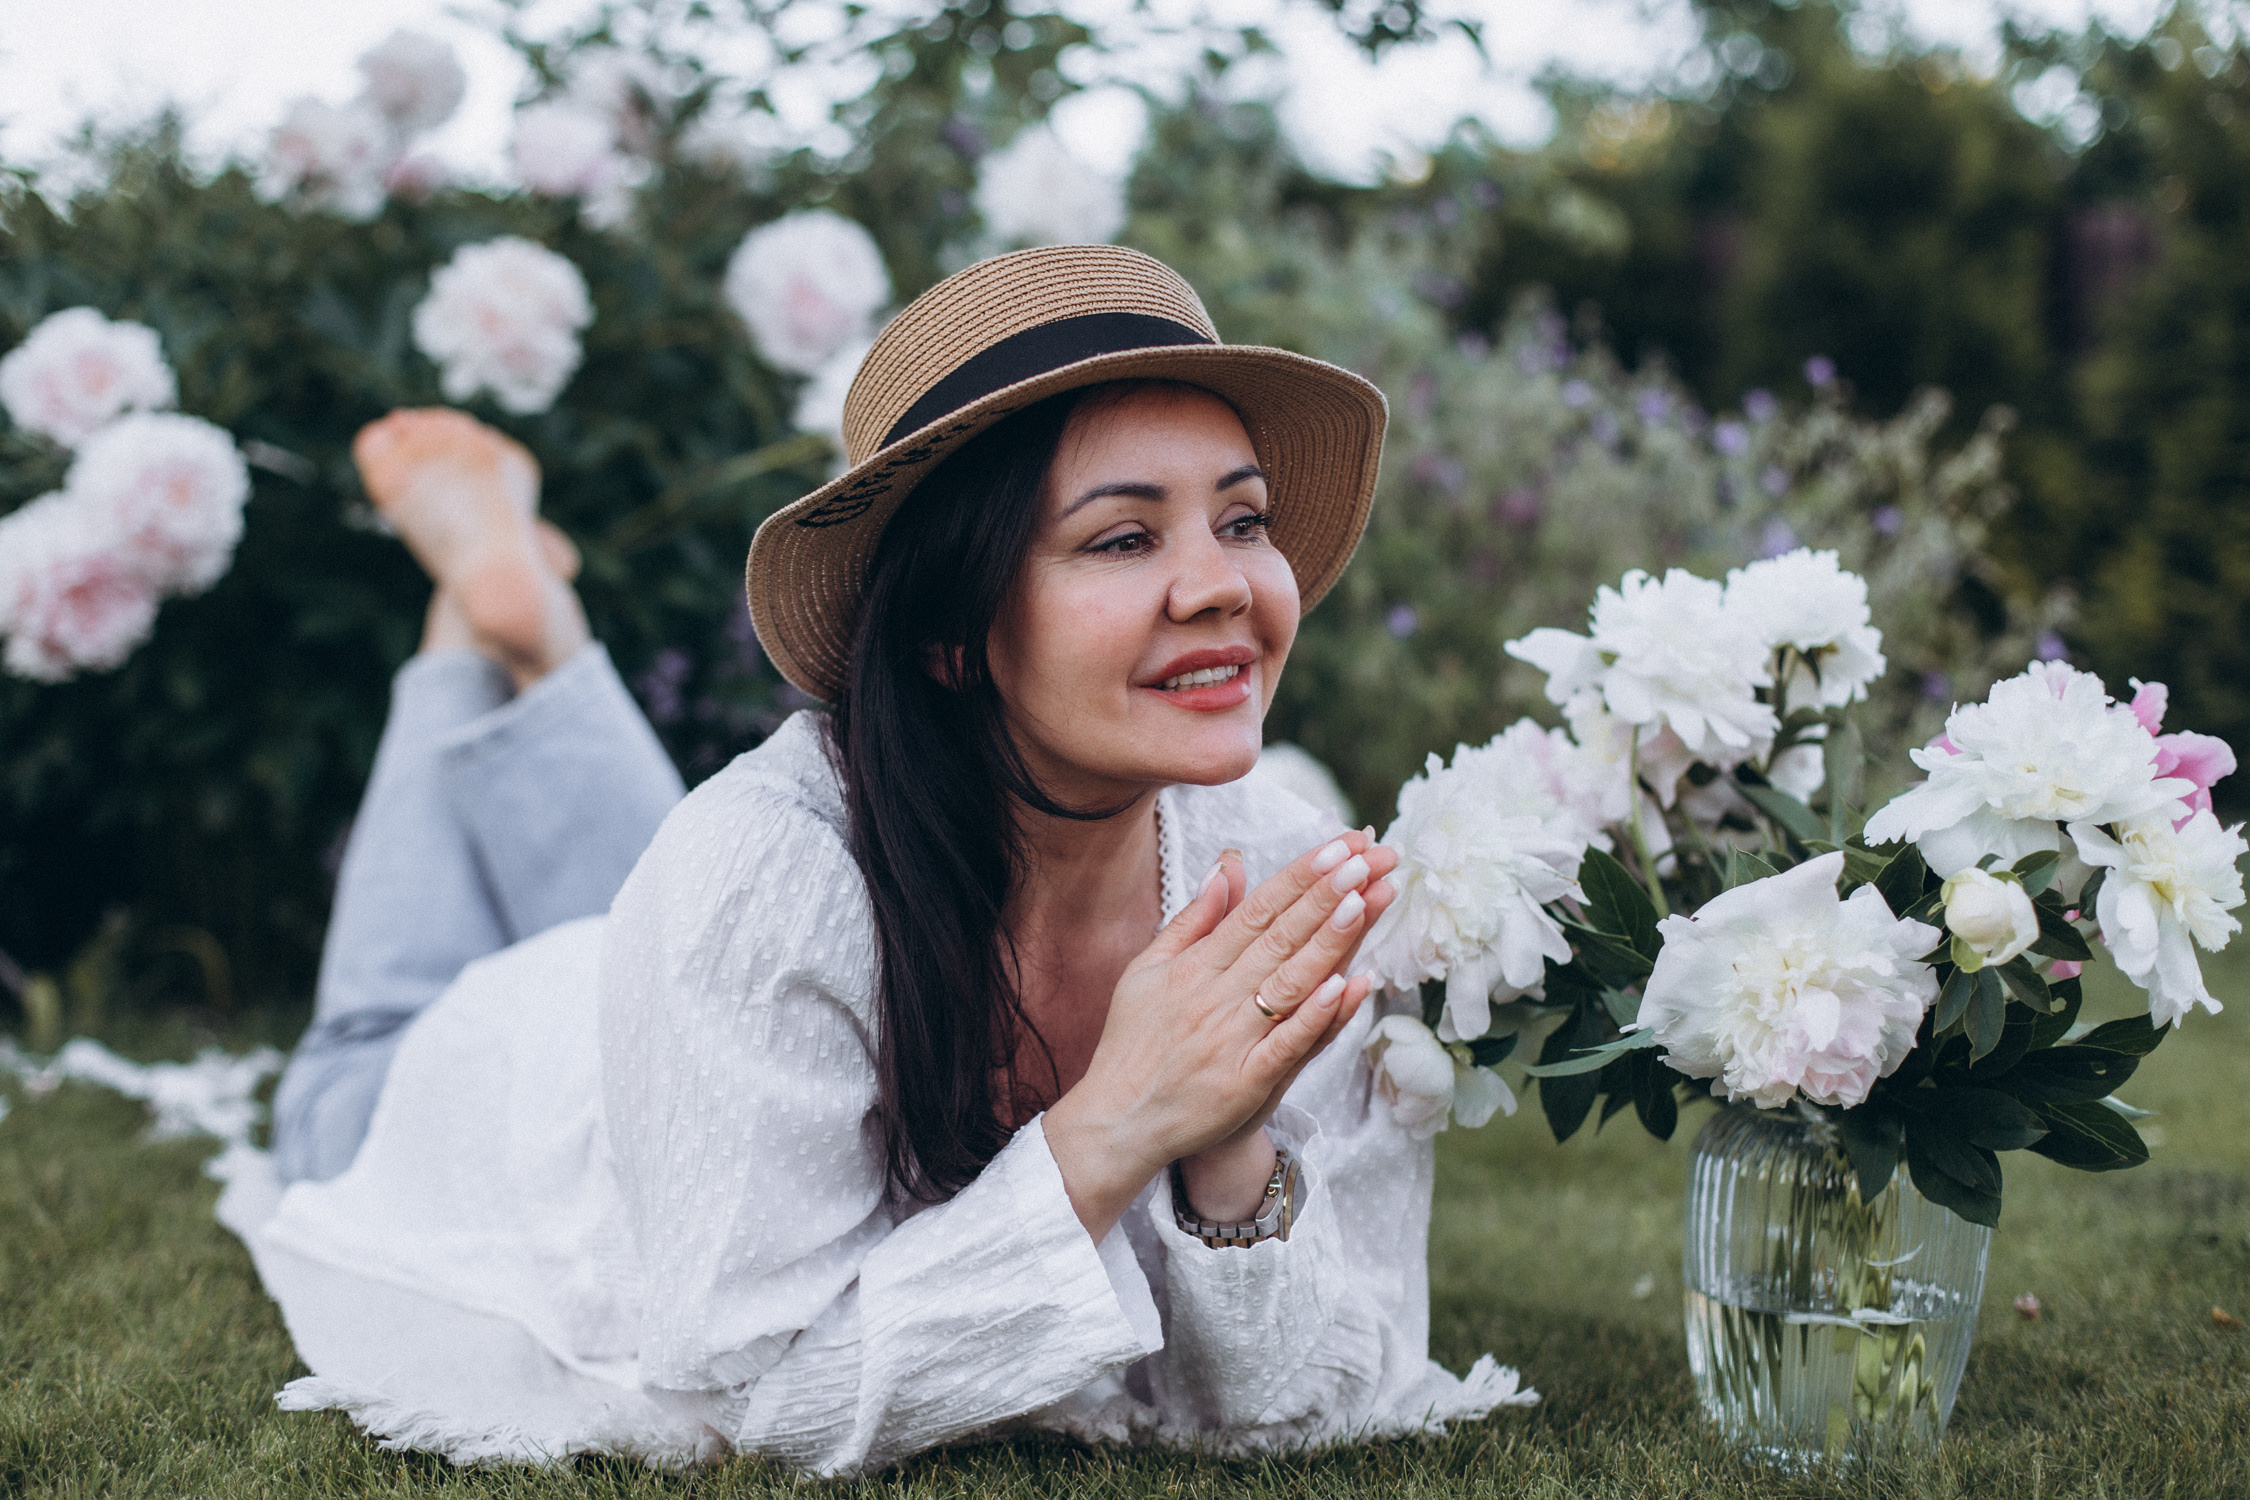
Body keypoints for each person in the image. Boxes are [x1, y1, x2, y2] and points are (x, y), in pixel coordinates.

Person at [228, 245, 1531, 1473]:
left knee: (688, 877)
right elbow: (765, 1398)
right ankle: (471, 632)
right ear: (950, 635)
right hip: (523, 1083)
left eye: (1242, 522)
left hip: (716, 959)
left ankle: (523, 624)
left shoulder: (1287, 877)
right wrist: (1115, 1124)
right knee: (354, 1064)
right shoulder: (757, 887)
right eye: (1124, 538)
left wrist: (1227, 1137)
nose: (1222, 585)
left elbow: (1314, 1393)